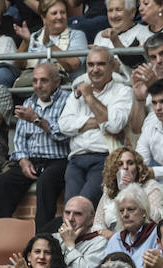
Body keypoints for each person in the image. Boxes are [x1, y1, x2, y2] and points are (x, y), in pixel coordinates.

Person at [0, 62, 67, 228]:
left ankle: (41, 237)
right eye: (35, 81)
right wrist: (23, 160)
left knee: (45, 183)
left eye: (44, 81)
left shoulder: (67, 101)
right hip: (31, 160)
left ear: (57, 82)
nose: (38, 86)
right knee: (3, 182)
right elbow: (19, 139)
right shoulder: (28, 103)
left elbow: (64, 134)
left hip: (58, 159)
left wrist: (36, 119)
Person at [56, 47, 130, 207]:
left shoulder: (123, 91)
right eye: (90, 65)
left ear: (113, 66)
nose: (95, 70)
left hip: (105, 158)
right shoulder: (76, 92)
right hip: (76, 159)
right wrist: (100, 120)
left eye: (101, 64)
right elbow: (64, 125)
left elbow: (115, 125)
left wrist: (89, 97)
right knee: (71, 208)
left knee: (81, 206)